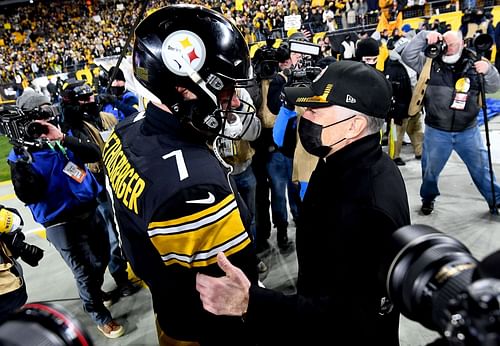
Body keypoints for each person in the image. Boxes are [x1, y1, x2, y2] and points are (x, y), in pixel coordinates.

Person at [196, 60, 411, 345]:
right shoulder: (347, 161)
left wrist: (250, 302)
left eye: (315, 110)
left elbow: (345, 318)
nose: (305, 116)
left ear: (354, 126)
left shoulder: (365, 207)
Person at [103, 5, 259, 345]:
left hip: (169, 307)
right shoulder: (193, 187)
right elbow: (229, 290)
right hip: (208, 329)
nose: (232, 101)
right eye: (225, 88)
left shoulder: (126, 130)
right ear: (184, 87)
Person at [8, 90, 125, 338]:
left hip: (89, 209)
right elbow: (28, 195)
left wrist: (60, 137)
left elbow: (95, 154)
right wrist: (22, 159)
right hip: (60, 222)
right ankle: (98, 313)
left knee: (101, 258)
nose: (48, 115)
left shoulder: (62, 136)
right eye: (41, 112)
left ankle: (93, 291)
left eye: (48, 110)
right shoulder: (20, 155)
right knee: (84, 271)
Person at [401, 30, 500, 215]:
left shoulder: (474, 63)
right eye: (445, 43)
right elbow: (407, 55)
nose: (447, 48)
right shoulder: (430, 62)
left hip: (468, 131)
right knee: (430, 171)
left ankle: (496, 200)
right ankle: (428, 198)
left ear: (463, 44)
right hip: (437, 130)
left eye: (452, 44)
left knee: (482, 169)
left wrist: (488, 71)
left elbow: (494, 86)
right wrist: (425, 35)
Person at [61, 80, 141, 300]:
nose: (90, 101)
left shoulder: (106, 117)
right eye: (83, 98)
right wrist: (90, 183)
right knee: (113, 239)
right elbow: (70, 164)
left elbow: (131, 122)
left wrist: (114, 100)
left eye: (91, 96)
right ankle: (120, 278)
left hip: (121, 179)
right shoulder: (70, 130)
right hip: (100, 191)